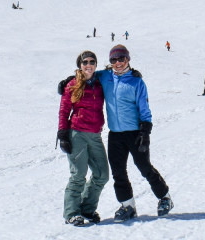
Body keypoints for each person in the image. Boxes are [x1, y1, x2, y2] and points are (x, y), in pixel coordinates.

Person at [98, 45, 172, 221]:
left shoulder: (137, 82)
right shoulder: (105, 77)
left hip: (135, 133)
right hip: (115, 134)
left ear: (128, 60)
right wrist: (70, 80)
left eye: (121, 59)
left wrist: (145, 133)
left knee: (144, 167)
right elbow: (88, 75)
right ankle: (128, 205)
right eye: (113, 60)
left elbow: (144, 110)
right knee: (118, 172)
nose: (118, 63)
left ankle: (165, 197)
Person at [57, 51, 108, 226]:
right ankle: (71, 213)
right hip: (76, 133)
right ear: (80, 65)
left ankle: (87, 208)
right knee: (78, 175)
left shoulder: (100, 82)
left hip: (95, 134)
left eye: (92, 61)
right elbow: (64, 110)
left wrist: (134, 73)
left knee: (102, 174)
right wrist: (63, 134)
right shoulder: (73, 84)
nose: (89, 64)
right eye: (85, 62)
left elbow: (116, 73)